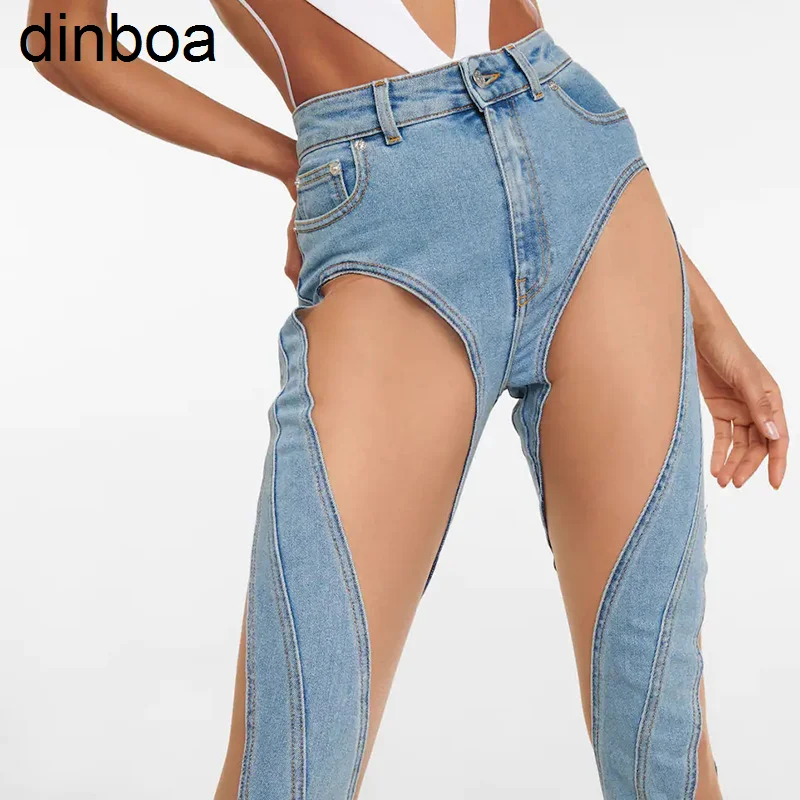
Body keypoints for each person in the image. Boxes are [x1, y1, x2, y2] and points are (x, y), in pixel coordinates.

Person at [29, 1, 788, 798]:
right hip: (388, 208)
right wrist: (290, 159)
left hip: (587, 171)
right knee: (291, 771)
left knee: (664, 759)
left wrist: (705, 320)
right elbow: (64, 40)